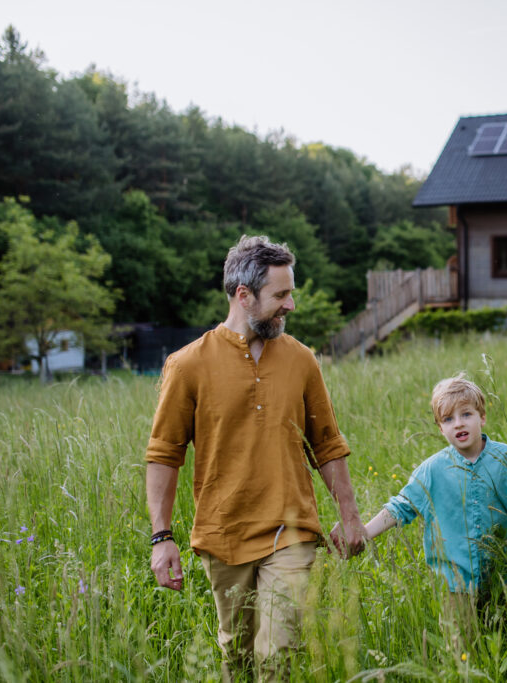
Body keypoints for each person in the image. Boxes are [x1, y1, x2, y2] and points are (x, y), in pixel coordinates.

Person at [145, 235, 367, 682]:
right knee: (238, 655)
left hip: (293, 530)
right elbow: (164, 454)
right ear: (243, 296)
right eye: (280, 295)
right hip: (224, 533)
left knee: (277, 654)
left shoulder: (302, 360)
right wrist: (161, 536)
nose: (290, 305)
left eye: (290, 292)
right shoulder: (187, 365)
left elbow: (326, 442)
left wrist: (350, 515)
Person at [340, 375, 507, 633]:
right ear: (440, 428)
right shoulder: (432, 470)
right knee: (462, 649)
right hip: (454, 584)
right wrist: (363, 533)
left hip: (502, 579)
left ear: (482, 417)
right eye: (448, 419)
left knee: (503, 640)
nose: (458, 424)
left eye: (466, 414)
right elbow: (400, 507)